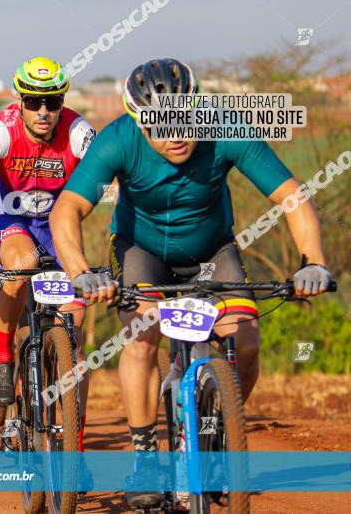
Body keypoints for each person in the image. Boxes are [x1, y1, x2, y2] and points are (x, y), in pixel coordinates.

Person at [51, 57, 333, 509]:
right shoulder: (118, 140)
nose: (176, 132)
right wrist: (81, 272)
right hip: (141, 253)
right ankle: (145, 460)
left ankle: (221, 429)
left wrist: (313, 262)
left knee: (245, 342)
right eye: (159, 123)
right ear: (139, 121)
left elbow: (292, 197)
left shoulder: (227, 128)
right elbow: (66, 210)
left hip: (213, 252)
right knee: (142, 337)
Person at [0, 57, 95, 427]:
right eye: (32, 102)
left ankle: (74, 445)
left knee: (74, 344)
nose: (43, 111)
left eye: (52, 102)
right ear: (19, 100)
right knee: (22, 264)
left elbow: (119, 187)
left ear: (62, 100)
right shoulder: (1, 130)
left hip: (58, 221)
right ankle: (1, 355)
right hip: (7, 215)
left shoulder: (79, 132)